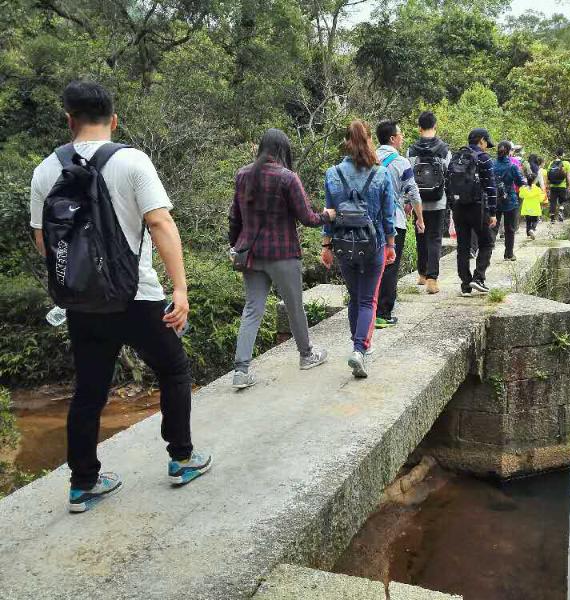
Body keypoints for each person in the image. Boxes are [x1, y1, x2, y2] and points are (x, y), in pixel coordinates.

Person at [29, 81, 211, 512]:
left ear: (69, 120)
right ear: (113, 119)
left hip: (81, 303)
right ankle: (182, 459)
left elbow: (43, 242)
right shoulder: (131, 161)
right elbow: (161, 224)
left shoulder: (44, 170)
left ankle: (83, 484)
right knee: (173, 369)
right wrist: (180, 289)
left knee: (89, 389)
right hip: (137, 295)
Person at [228, 129, 335, 389]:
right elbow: (307, 217)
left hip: (251, 254)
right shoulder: (288, 178)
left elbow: (234, 217)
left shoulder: (243, 175)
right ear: (282, 151)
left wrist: (235, 247)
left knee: (252, 309)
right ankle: (307, 355)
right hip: (282, 253)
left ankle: (241, 371)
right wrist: (328, 216)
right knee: (294, 305)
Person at [320, 120, 396, 379]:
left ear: (346, 142)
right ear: (368, 141)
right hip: (372, 244)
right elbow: (388, 216)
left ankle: (358, 343)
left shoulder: (332, 174)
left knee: (355, 297)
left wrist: (326, 246)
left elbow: (328, 214)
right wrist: (391, 245)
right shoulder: (381, 173)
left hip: (343, 244)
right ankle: (359, 349)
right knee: (368, 300)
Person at [375, 120, 424, 327]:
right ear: (393, 138)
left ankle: (368, 309)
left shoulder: (369, 158)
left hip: (369, 220)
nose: (402, 137)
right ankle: (383, 313)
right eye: (400, 134)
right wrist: (420, 218)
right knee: (390, 266)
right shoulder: (401, 162)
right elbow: (413, 191)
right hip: (394, 221)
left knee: (372, 266)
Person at [447, 128, 497, 297]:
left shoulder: (456, 157)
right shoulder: (483, 159)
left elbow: (447, 183)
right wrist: (493, 212)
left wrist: (452, 206)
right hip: (478, 207)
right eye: (486, 143)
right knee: (487, 242)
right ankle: (479, 277)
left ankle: (465, 285)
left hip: (459, 207)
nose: (486, 147)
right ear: (481, 140)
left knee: (463, 246)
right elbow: (490, 187)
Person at [407, 111, 450, 295]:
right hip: (438, 200)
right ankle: (432, 279)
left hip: (418, 202)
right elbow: (448, 173)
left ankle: (422, 274)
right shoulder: (444, 149)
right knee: (435, 238)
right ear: (435, 126)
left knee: (420, 237)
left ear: (419, 128)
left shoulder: (411, 150)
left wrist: (408, 202)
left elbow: (407, 176)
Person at [492, 141, 526, 261]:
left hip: (494, 198)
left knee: (493, 225)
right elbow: (519, 182)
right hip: (509, 200)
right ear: (509, 151)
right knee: (509, 228)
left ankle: (488, 250)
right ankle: (509, 254)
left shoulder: (492, 164)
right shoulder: (512, 166)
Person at [520, 157, 547, 238]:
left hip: (526, 207)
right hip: (535, 208)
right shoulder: (537, 189)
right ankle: (532, 229)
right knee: (535, 220)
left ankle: (528, 233)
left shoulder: (524, 189)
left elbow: (521, 195)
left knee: (528, 221)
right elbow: (541, 198)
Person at [546, 147, 570, 223]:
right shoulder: (566, 163)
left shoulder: (551, 163)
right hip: (562, 186)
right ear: (563, 154)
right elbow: (568, 175)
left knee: (553, 201)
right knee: (563, 200)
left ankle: (552, 218)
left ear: (556, 154)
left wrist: (547, 186)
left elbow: (548, 175)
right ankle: (561, 211)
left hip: (553, 186)